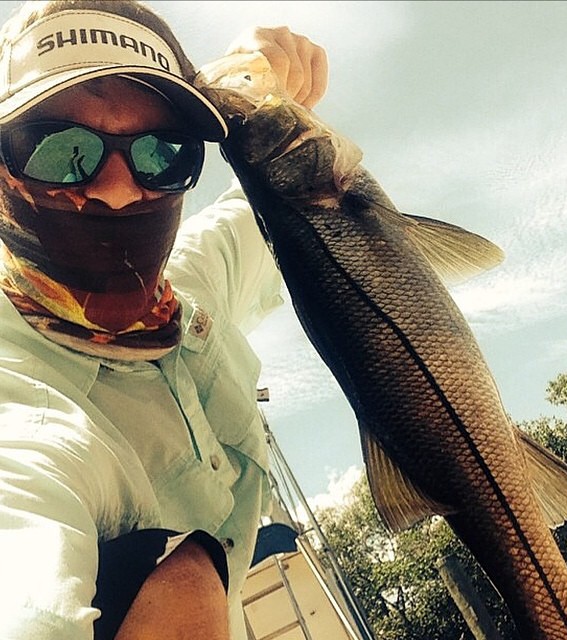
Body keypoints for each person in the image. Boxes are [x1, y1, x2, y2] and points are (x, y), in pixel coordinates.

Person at [0, 1, 328, 639]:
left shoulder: (188, 289)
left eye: (162, 151)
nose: (120, 190)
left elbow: (278, 206)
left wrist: (258, 88)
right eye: (59, 149)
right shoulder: (20, 412)